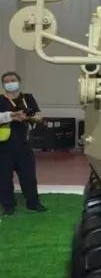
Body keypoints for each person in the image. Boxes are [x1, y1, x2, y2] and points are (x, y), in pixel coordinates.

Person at [0, 71, 46, 214]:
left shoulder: (27, 98)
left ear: (19, 82)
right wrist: (12, 116)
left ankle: (33, 202)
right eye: (6, 81)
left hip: (24, 144)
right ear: (3, 85)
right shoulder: (0, 99)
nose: (10, 83)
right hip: (3, 145)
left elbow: (39, 116)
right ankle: (8, 204)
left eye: (13, 80)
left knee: (28, 176)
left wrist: (28, 117)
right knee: (4, 176)